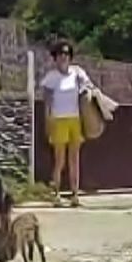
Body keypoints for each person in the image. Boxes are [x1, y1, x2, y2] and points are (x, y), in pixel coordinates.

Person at [40, 40, 92, 207]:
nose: (64, 57)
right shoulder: (51, 78)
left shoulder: (77, 73)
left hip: (75, 119)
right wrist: (47, 122)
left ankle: (75, 194)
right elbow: (47, 102)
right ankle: (56, 194)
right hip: (58, 119)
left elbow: (87, 88)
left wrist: (85, 91)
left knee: (74, 159)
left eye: (66, 54)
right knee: (59, 159)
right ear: (55, 58)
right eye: (60, 54)